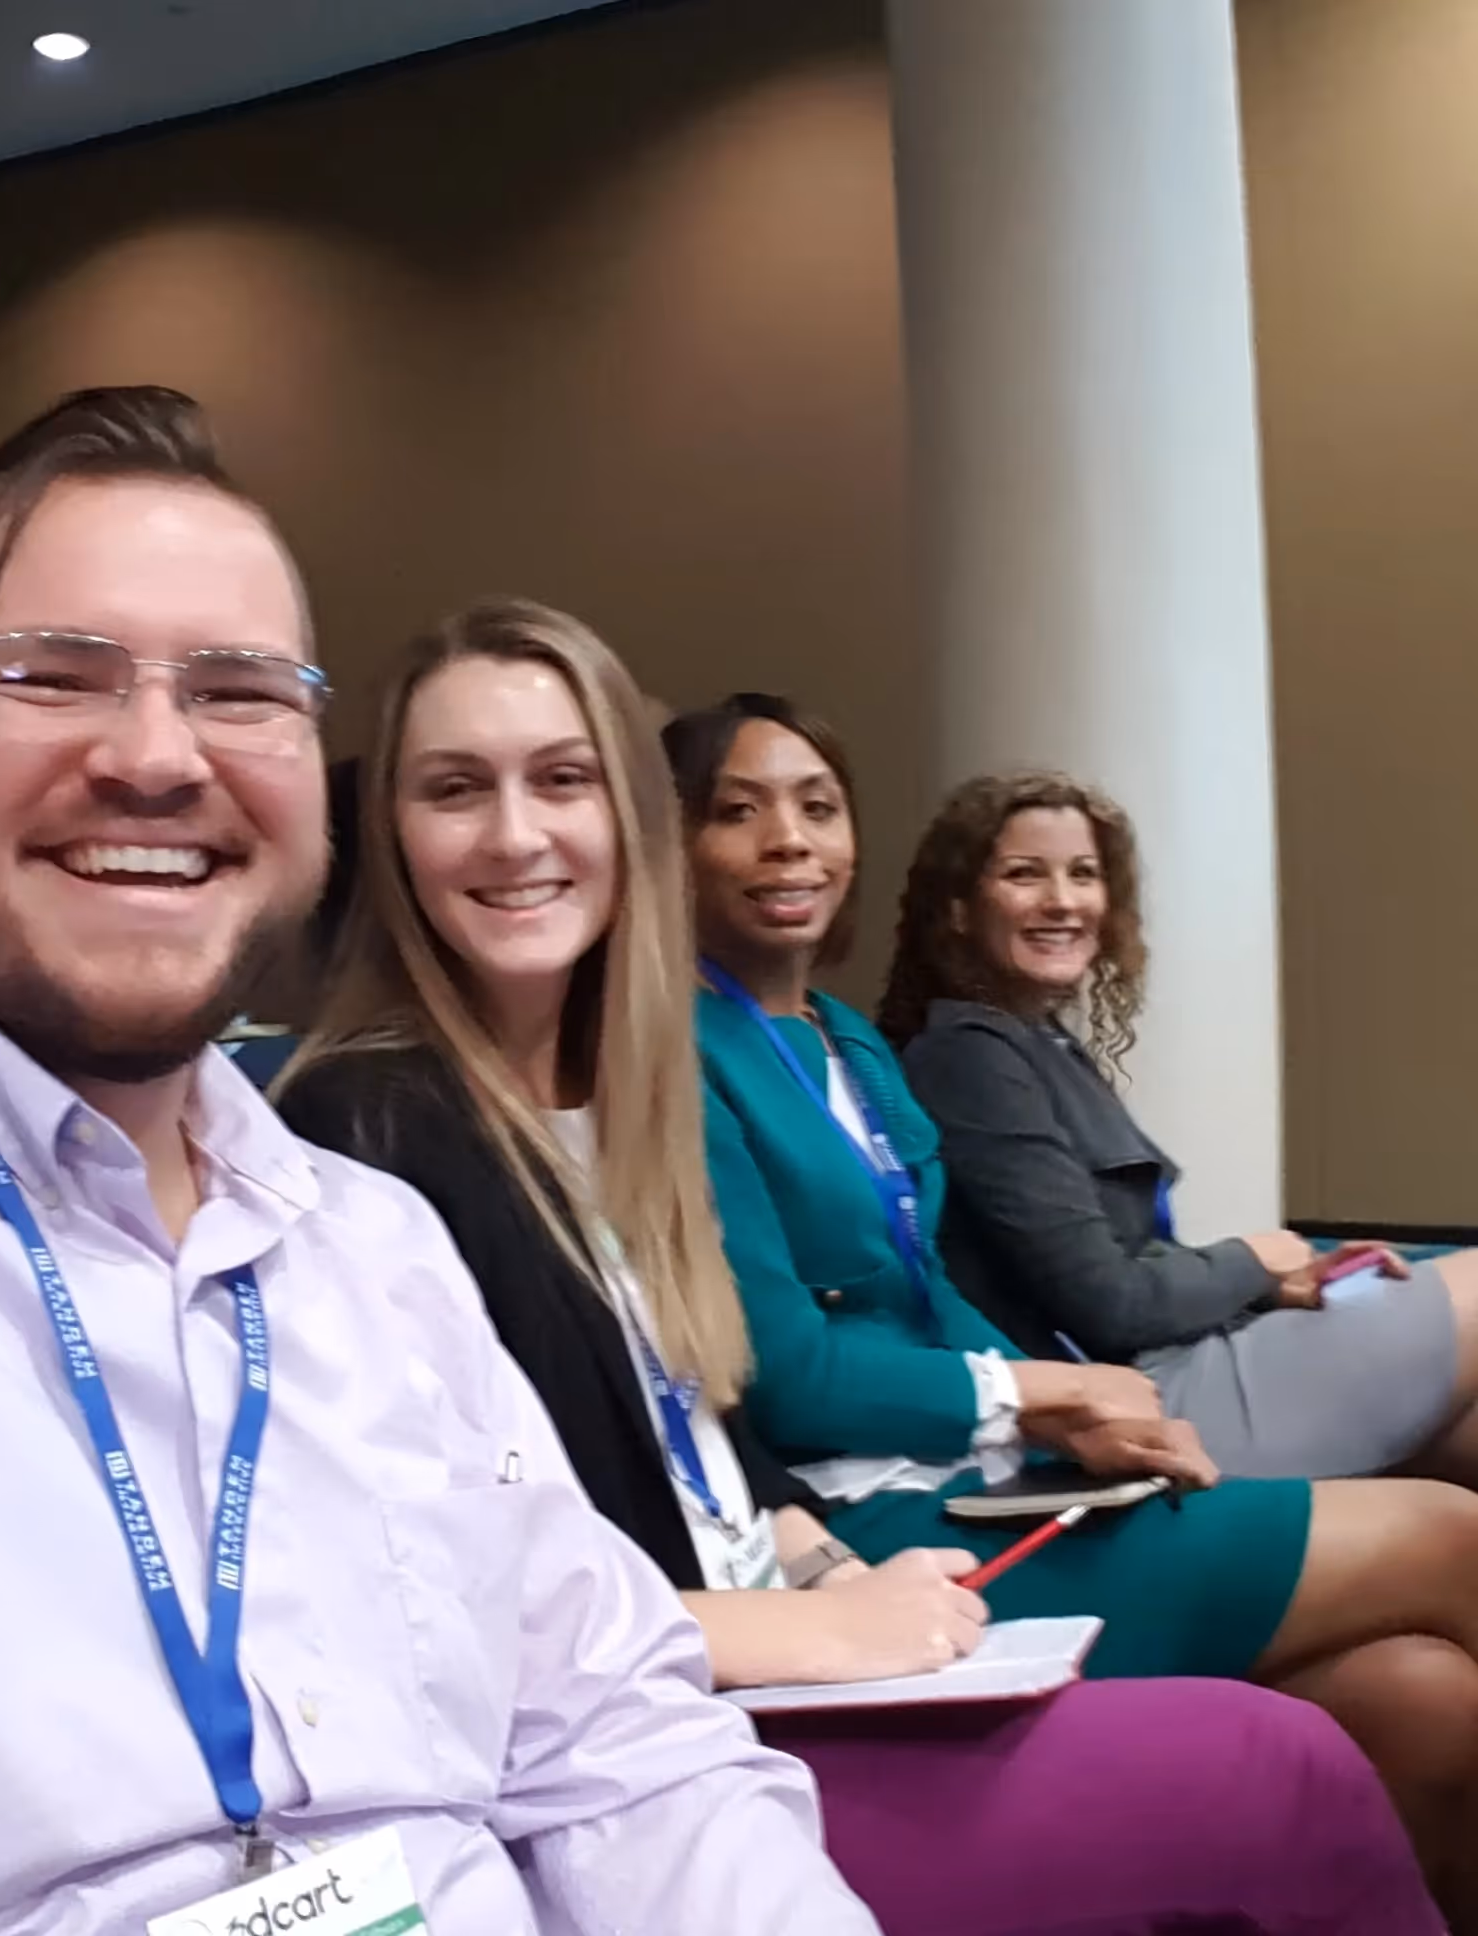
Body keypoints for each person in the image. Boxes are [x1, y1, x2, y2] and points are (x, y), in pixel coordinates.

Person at [0, 392, 878, 1934]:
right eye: (51, 675)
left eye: (242, 693)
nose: (159, 755)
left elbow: (621, 1754)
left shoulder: (375, 1248)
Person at [274, 600, 1443, 1935]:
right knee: (1292, 1744)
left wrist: (822, 1563)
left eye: (562, 780)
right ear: (389, 838)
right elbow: (439, 1590)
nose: (515, 833)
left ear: (630, 825)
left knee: (1412, 1698)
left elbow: (695, 1419)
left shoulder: (629, 1094)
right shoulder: (367, 1125)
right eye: (454, 789)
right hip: (645, 1742)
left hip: (795, 1603)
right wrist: (810, 1618)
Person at [666, 690, 1478, 1921]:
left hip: (998, 1479)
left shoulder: (847, 1041)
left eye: (818, 807)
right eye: (738, 811)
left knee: (1421, 1699)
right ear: (669, 846)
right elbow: (786, 1371)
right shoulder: (675, 1054)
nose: (790, 839)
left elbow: (932, 1292)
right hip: (882, 1532)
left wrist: (1080, 1416)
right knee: (1450, 1534)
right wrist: (1029, 1389)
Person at [880, 771, 1478, 1488]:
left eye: (1083, 874)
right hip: (1138, 1405)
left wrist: (1274, 1287)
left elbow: (1129, 1261)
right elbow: (1112, 1305)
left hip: (1182, 1360)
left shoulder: (1037, 1040)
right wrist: (1254, 1261)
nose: (1063, 900)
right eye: (1024, 874)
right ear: (957, 910)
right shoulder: (968, 1056)